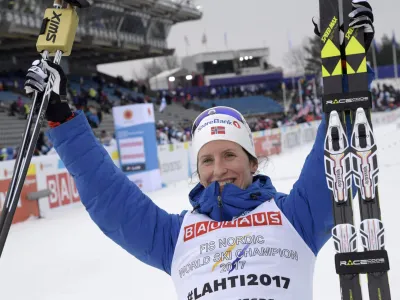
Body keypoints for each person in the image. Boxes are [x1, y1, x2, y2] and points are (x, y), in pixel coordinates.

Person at [23, 1, 374, 299]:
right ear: (198, 169)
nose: (219, 169)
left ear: (253, 162)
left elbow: (335, 160)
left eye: (230, 155)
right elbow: (111, 200)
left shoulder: (297, 216)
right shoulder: (174, 237)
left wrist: (350, 75)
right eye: (207, 159)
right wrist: (61, 117)